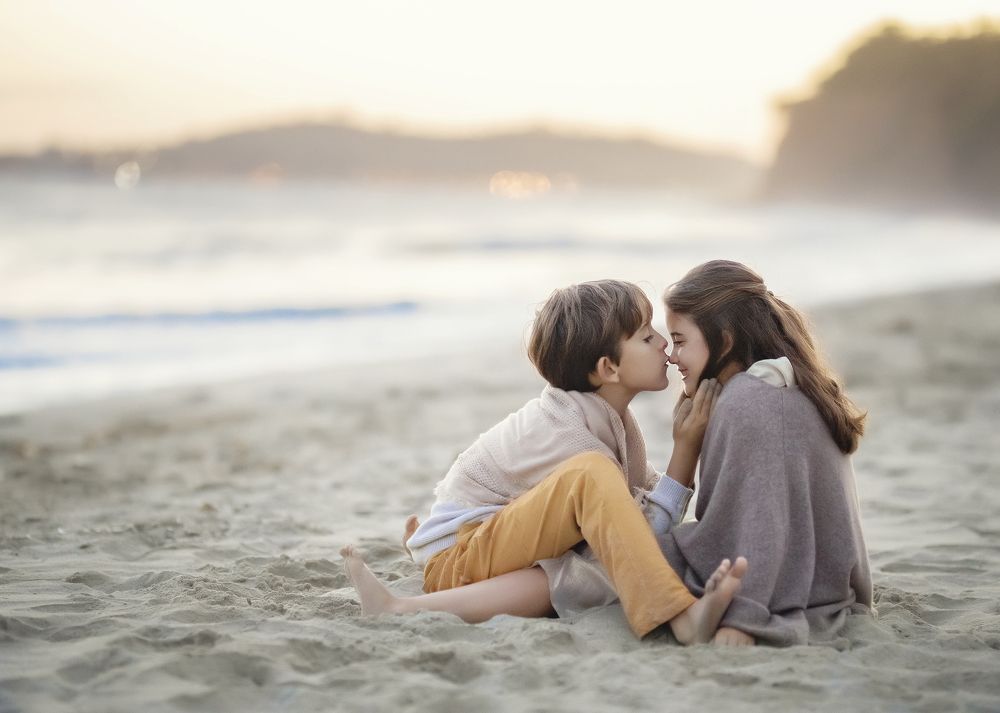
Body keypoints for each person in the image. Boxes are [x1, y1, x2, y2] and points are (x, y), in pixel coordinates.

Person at [341, 279, 748, 643]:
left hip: (481, 547)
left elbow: (637, 522)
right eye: (646, 337)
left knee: (575, 574)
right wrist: (685, 448)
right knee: (597, 528)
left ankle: (405, 597)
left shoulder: (607, 417)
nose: (662, 343)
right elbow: (638, 535)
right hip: (461, 556)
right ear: (608, 368)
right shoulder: (566, 433)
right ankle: (678, 616)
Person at [659, 260, 873, 646]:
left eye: (679, 340)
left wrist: (744, 616)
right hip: (826, 581)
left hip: (782, 590)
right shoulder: (799, 383)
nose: (672, 357)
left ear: (724, 340)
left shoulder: (745, 400)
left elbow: (757, 527)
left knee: (629, 550)